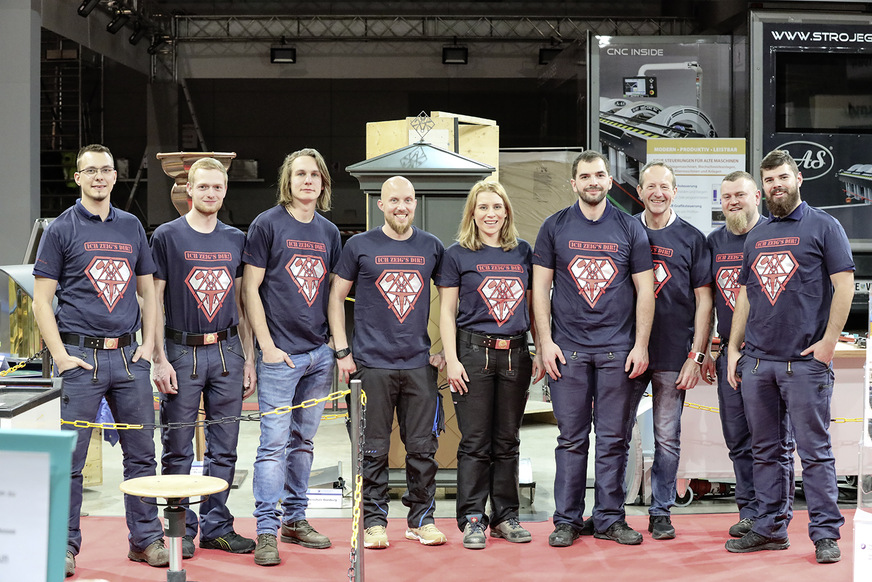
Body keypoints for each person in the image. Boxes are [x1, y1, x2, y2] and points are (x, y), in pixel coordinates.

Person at [32, 144, 168, 577]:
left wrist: (148, 348)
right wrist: (60, 356)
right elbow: (40, 303)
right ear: (78, 178)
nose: (99, 177)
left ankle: (145, 540)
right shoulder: (61, 230)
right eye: (90, 171)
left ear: (114, 176)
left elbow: (149, 293)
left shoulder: (131, 226)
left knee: (142, 456)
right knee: (71, 461)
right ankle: (65, 546)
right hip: (80, 359)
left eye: (106, 170)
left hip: (129, 360)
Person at [726, 149, 853, 564]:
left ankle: (825, 535)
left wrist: (830, 341)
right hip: (759, 362)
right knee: (767, 451)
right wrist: (733, 347)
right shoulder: (756, 235)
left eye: (783, 177)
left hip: (804, 363)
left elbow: (845, 284)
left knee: (814, 453)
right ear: (762, 189)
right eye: (769, 180)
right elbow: (746, 293)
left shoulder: (824, 225)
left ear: (798, 178)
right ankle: (770, 528)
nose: (776, 185)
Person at [533, 150, 655, 548]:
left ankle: (608, 518)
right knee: (571, 438)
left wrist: (640, 345)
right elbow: (539, 290)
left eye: (600, 175)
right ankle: (567, 520)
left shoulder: (630, 228)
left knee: (613, 438)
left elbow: (645, 291)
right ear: (574, 183)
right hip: (567, 351)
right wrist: (545, 343)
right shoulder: (554, 227)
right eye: (585, 176)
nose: (593, 182)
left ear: (609, 181)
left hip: (616, 351)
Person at [328, 175, 446, 549]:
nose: (401, 207)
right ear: (380, 204)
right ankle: (375, 522)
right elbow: (335, 298)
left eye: (408, 200)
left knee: (423, 448)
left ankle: (421, 520)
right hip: (371, 365)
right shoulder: (359, 245)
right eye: (394, 200)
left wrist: (447, 350)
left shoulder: (432, 246)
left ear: (415, 203)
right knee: (372, 448)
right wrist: (343, 352)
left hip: (417, 365)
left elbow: (451, 300)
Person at [151, 157, 257, 557]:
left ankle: (217, 526)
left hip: (227, 350)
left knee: (225, 446)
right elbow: (155, 303)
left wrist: (248, 357)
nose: (210, 193)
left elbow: (243, 303)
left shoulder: (235, 238)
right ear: (188, 190)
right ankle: (180, 529)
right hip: (181, 350)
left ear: (224, 191)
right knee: (177, 446)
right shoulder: (167, 236)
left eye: (217, 187)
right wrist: (159, 358)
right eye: (203, 187)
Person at [243, 148, 341, 566]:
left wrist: (335, 347)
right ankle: (266, 530)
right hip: (279, 357)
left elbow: (335, 294)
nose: (307, 181)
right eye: (300, 174)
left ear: (323, 183)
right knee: (273, 446)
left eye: (314, 175)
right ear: (288, 180)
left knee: (304, 443)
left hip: (318, 355)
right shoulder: (267, 225)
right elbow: (249, 290)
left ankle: (296, 519)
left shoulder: (329, 232)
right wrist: (266, 347)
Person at [435, 179, 544, 550]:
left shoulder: (523, 252)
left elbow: (533, 308)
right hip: (472, 353)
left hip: (516, 354)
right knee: (475, 442)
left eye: (496, 207)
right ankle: (472, 519)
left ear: (507, 212)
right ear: (472, 213)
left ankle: (505, 517)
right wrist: (451, 360)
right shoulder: (457, 254)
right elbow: (447, 312)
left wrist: (541, 349)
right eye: (482, 207)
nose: (490, 214)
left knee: (508, 440)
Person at [635, 161, 713, 540]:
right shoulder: (625, 230)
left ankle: (661, 511)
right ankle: (608, 512)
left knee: (666, 437)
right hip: (627, 351)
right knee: (614, 435)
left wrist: (696, 355)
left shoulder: (693, 239)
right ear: (639, 191)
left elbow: (704, 302)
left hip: (672, 355)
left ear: (675, 191)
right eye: (651, 187)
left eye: (664, 186)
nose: (658, 193)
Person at [702, 170, 766, 539]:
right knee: (738, 438)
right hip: (729, 354)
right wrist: (711, 349)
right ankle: (749, 511)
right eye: (726, 197)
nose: (733, 202)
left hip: (767, 354)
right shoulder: (714, 242)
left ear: (756, 196)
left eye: (740, 195)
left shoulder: (773, 235)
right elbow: (707, 300)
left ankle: (773, 512)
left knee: (770, 440)